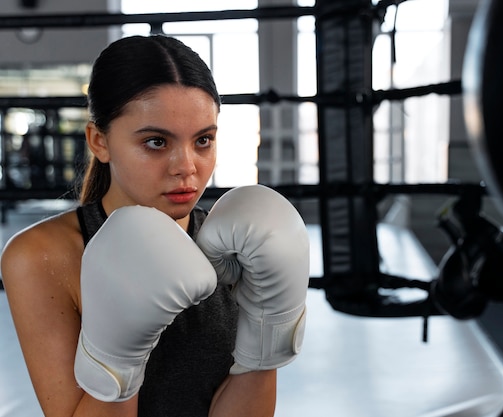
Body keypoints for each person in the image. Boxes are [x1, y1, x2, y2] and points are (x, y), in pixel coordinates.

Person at [1, 35, 308, 417]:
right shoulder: (42, 256)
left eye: (203, 140)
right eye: (157, 142)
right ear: (100, 142)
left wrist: (267, 346)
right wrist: (118, 366)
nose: (186, 166)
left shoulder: (237, 245)